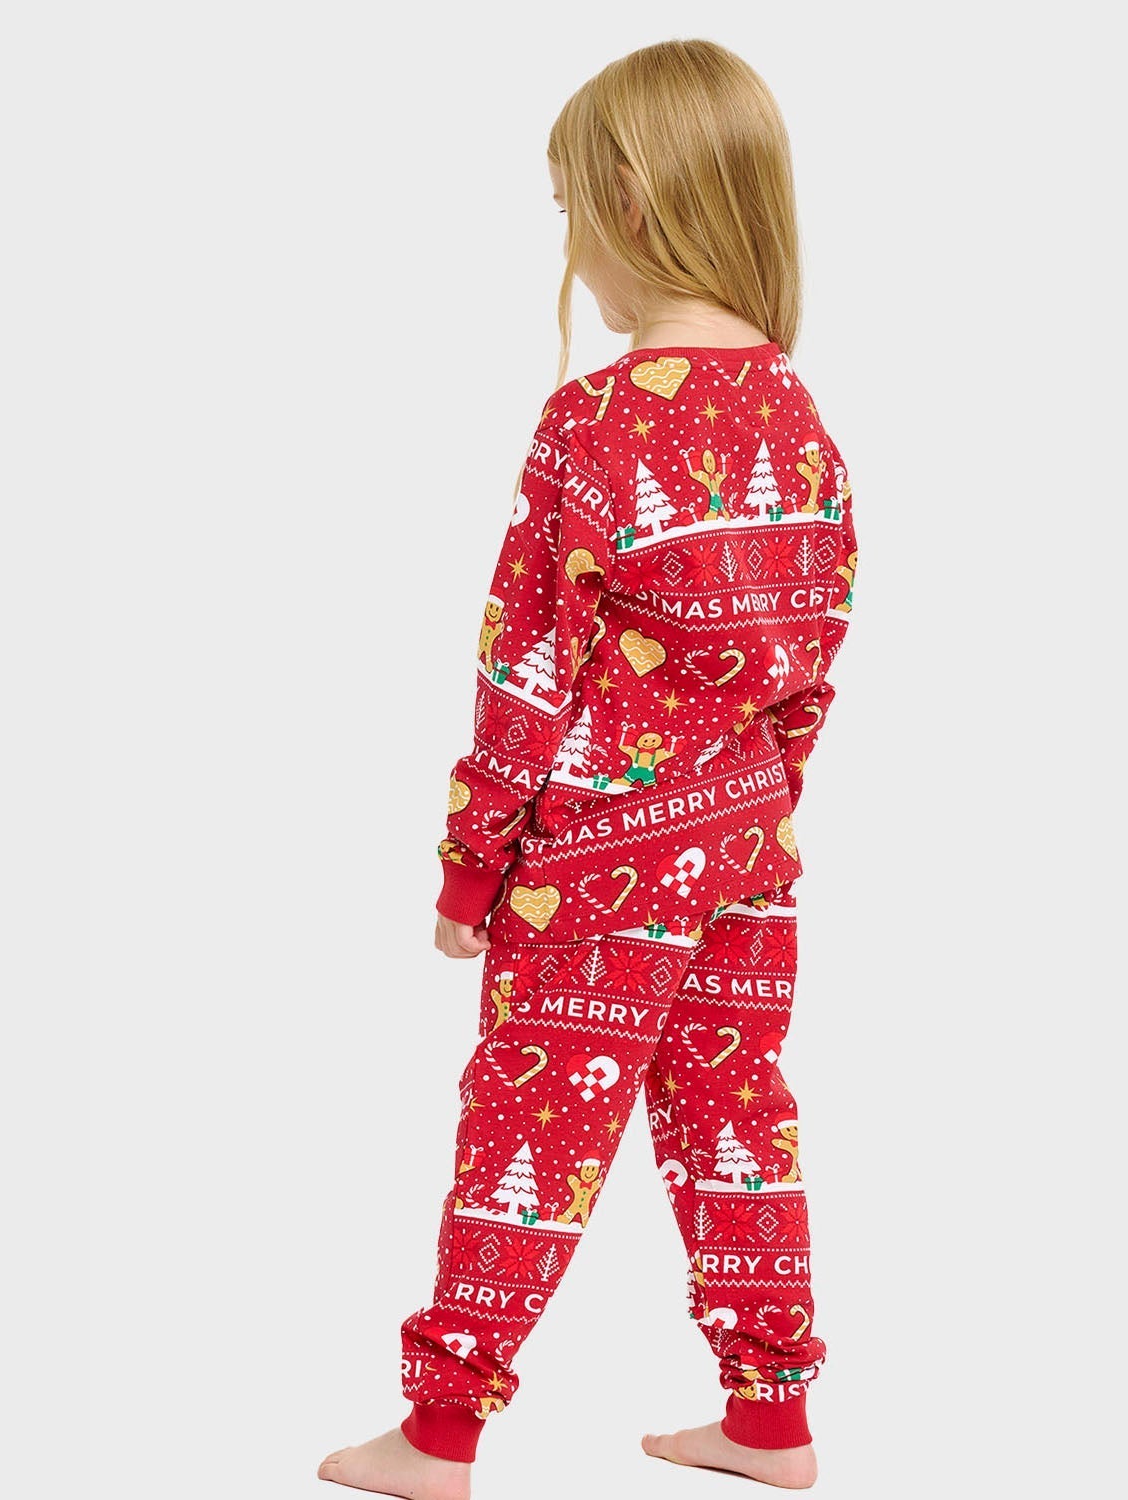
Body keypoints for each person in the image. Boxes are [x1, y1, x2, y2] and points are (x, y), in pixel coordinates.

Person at [318, 37, 860, 1498]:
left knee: (529, 1127)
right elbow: (812, 660)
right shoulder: (802, 425)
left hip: (593, 873)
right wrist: (760, 806)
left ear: (627, 200)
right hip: (748, 851)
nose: (569, 244)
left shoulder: (595, 424)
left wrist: (472, 869)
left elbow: (525, 673)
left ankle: (439, 1435)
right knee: (738, 1115)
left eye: (568, 208)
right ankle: (772, 1416)